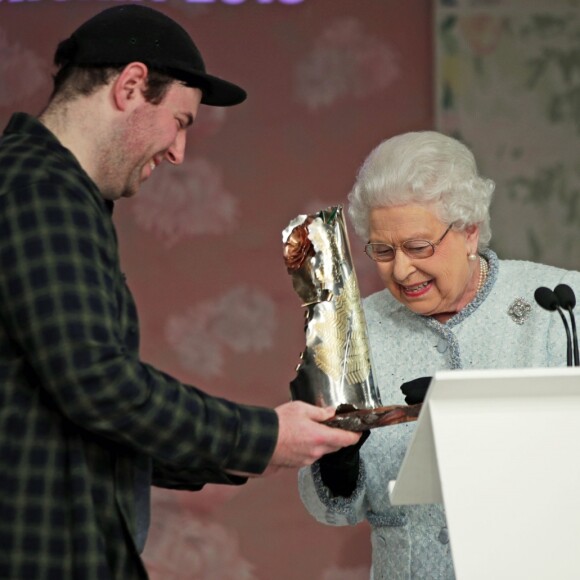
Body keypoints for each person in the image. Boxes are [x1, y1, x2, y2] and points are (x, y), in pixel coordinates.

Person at [0, 5, 361, 579]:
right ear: (131, 86)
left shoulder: (50, 192)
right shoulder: (41, 190)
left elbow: (90, 421)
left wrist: (269, 444)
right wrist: (265, 437)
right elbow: (99, 386)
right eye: (181, 121)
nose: (178, 152)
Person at [297, 130, 580, 579]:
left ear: (469, 232)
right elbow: (332, 511)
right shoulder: (353, 334)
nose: (402, 269)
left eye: (418, 247)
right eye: (383, 251)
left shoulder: (559, 305)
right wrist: (338, 459)